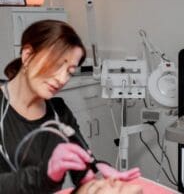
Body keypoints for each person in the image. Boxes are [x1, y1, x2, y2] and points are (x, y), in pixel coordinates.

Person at [0, 19, 140, 193]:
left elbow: (82, 167)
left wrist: (96, 169)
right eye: (58, 65)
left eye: (70, 72)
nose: (62, 79)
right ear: (27, 55)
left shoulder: (59, 112)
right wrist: (46, 175)